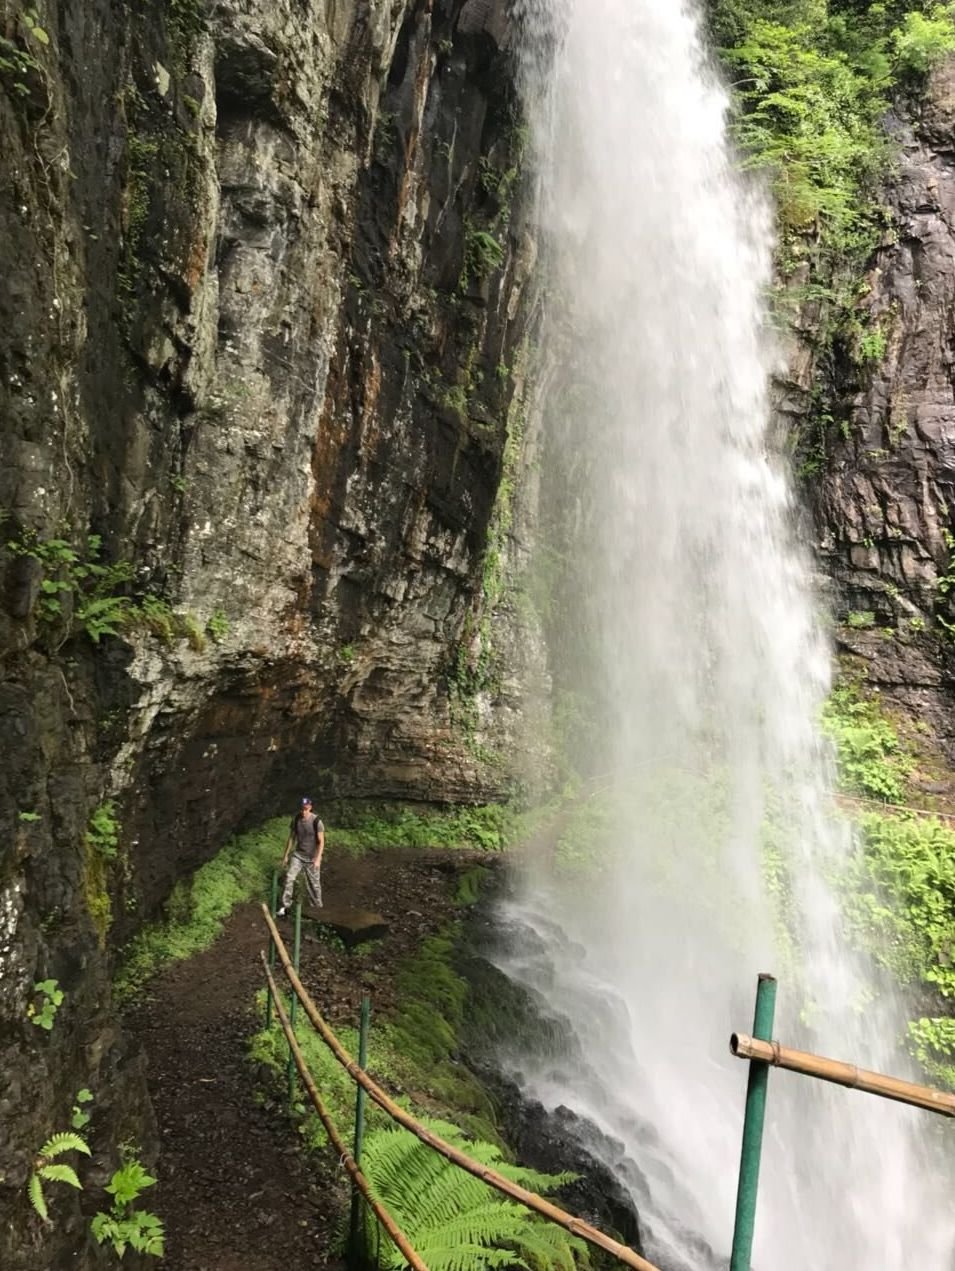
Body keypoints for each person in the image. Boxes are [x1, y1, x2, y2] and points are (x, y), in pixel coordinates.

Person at [277, 796, 324, 916]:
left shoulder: (316, 821)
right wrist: (286, 856)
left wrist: (318, 859)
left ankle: (318, 908)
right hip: (298, 855)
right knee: (289, 877)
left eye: (306, 808)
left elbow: (321, 841)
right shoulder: (296, 819)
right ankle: (285, 905)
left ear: (310, 808)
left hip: (312, 857)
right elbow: (291, 838)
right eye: (302, 808)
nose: (304, 811)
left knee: (314, 884)